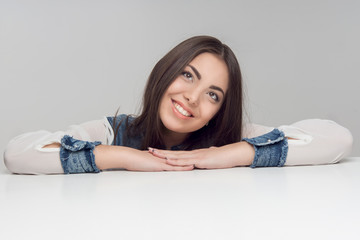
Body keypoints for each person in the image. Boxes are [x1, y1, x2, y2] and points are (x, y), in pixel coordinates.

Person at [3, 36, 353, 174]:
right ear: (165, 72)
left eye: (213, 95)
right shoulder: (115, 131)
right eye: (188, 76)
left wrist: (228, 154)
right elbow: (17, 153)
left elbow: (338, 140)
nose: (192, 98)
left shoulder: (230, 138)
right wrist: (127, 157)